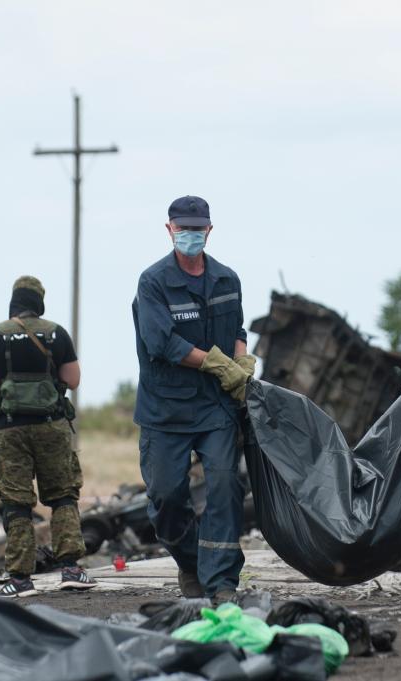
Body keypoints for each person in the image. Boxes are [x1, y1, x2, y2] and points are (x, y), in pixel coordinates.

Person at [132, 195, 255, 605]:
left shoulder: (227, 279)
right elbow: (162, 342)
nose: (190, 235)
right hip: (165, 409)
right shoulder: (153, 283)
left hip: (214, 407)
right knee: (166, 497)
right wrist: (219, 364)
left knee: (224, 483)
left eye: (196, 229)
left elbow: (237, 327)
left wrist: (241, 361)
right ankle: (191, 564)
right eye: (182, 229)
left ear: (209, 230)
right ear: (169, 230)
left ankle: (221, 584)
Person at [0, 276, 95, 597]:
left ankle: (20, 578)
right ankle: (70, 568)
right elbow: (73, 379)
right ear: (40, 301)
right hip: (51, 425)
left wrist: (2, 383)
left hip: (10, 429)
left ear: (14, 301)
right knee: (63, 495)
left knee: (16, 500)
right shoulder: (56, 333)